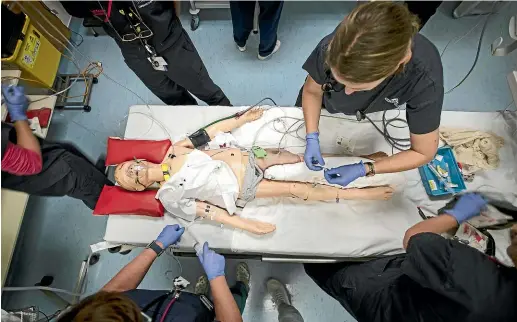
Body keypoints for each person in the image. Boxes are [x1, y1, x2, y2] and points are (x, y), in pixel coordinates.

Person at [113, 108, 396, 235]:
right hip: (243, 186)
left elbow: (209, 132)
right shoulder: (169, 196)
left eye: (130, 165)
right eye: (131, 176)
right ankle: (358, 194)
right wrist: (245, 225)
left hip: (251, 156)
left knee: (300, 159)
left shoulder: (176, 149)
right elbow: (207, 211)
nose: (135, 170)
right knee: (296, 189)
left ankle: (363, 159)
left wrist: (240, 119)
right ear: (139, 188)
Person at [304, 193, 517, 322]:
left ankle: (320, 281)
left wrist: (456, 215)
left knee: (322, 265)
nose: (515, 230)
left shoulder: (481, 280)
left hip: (387, 304)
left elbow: (414, 238)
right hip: (426, 304)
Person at [298, 2, 444, 188]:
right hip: (323, 107)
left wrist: (366, 168)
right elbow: (311, 90)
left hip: (370, 113)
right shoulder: (337, 44)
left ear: (399, 64)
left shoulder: (424, 78)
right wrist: (311, 135)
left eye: (359, 87)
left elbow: (424, 152)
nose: (347, 92)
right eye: (339, 80)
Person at [57, 224, 245, 321]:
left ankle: (200, 296)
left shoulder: (88, 316)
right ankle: (242, 288)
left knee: (199, 301)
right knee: (233, 300)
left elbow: (111, 293)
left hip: (180, 304)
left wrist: (155, 247)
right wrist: (217, 278)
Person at [61, 1, 230, 106]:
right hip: (133, 50)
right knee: (174, 99)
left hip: (170, 42)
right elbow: (76, 9)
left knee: (206, 90)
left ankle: (234, 127)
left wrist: (171, 28)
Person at [1, 85, 111, 210]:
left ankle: (96, 178)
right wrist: (18, 116)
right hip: (28, 167)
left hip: (16, 148)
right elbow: (31, 164)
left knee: (67, 151)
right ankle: (111, 202)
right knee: (75, 174)